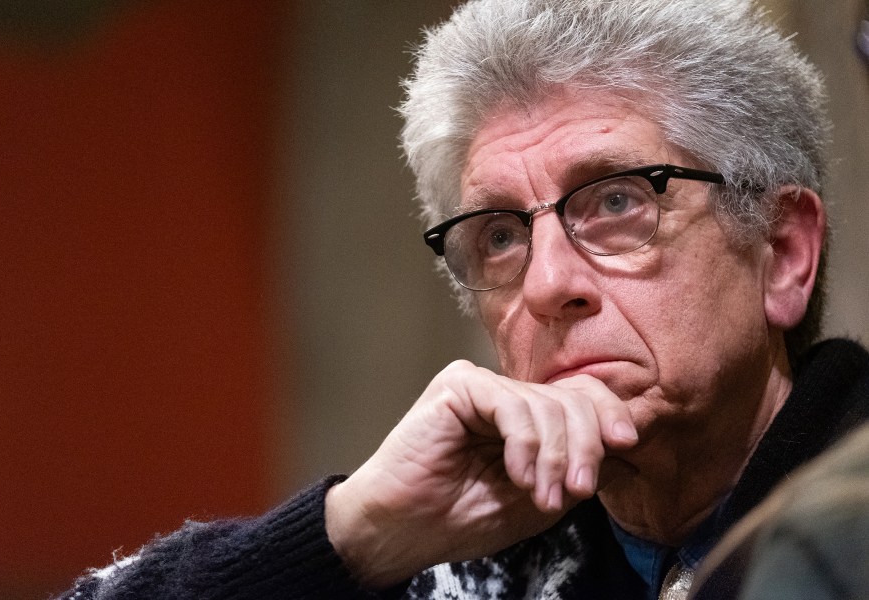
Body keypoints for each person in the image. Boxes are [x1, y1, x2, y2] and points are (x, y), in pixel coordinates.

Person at [56, 0, 869, 598]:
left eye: (618, 201)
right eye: (501, 235)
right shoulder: (457, 561)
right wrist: (357, 532)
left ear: (783, 252)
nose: (548, 285)